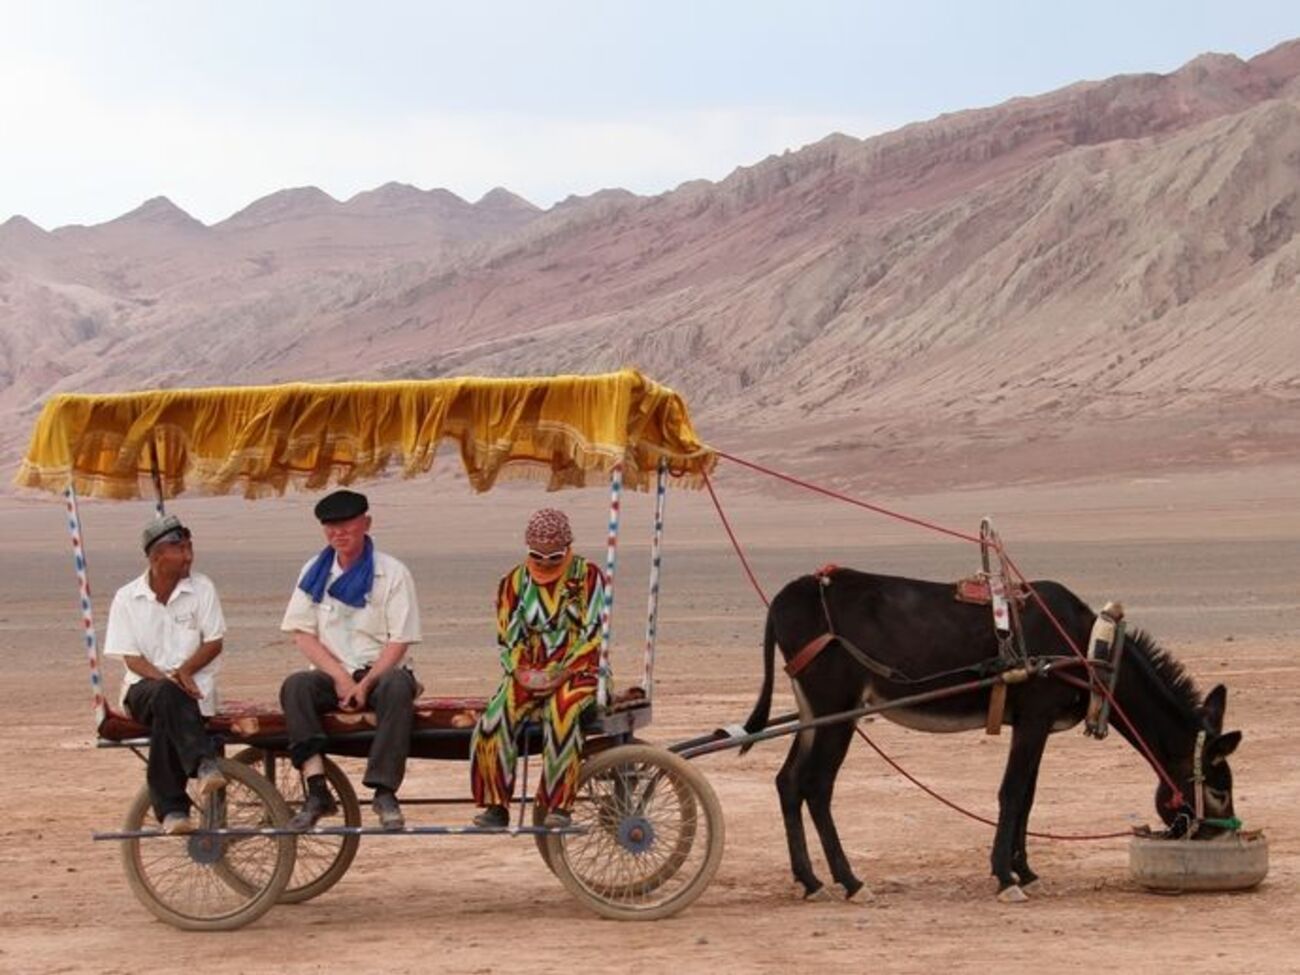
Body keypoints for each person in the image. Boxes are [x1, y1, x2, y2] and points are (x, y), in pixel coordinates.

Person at [279, 489, 421, 831]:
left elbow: (399, 639)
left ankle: (384, 791)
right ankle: (316, 789)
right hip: (333, 674)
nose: (339, 534)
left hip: (379, 672)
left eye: (347, 525)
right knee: (296, 687)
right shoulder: (313, 571)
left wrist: (366, 682)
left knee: (399, 686)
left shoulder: (392, 573)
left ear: (366, 524)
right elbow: (302, 633)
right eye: (331, 527)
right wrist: (342, 679)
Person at [470, 508, 607, 829]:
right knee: (494, 717)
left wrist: (562, 672)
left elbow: (595, 633)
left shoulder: (588, 576)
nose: (545, 563)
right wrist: (521, 672)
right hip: (528, 670)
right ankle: (495, 805)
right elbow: (507, 637)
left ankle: (558, 805)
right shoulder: (514, 582)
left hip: (579, 670)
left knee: (563, 711)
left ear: (567, 548)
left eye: (554, 557)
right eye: (538, 556)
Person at [104, 514, 227, 834]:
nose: (188, 556)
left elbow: (214, 642)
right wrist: (168, 680)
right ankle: (203, 763)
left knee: (165, 719)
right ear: (156, 556)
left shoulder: (202, 588)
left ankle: (173, 812)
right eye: (179, 549)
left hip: (194, 690)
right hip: (144, 688)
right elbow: (132, 658)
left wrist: (186, 670)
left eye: (189, 547)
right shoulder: (127, 597)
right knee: (164, 695)